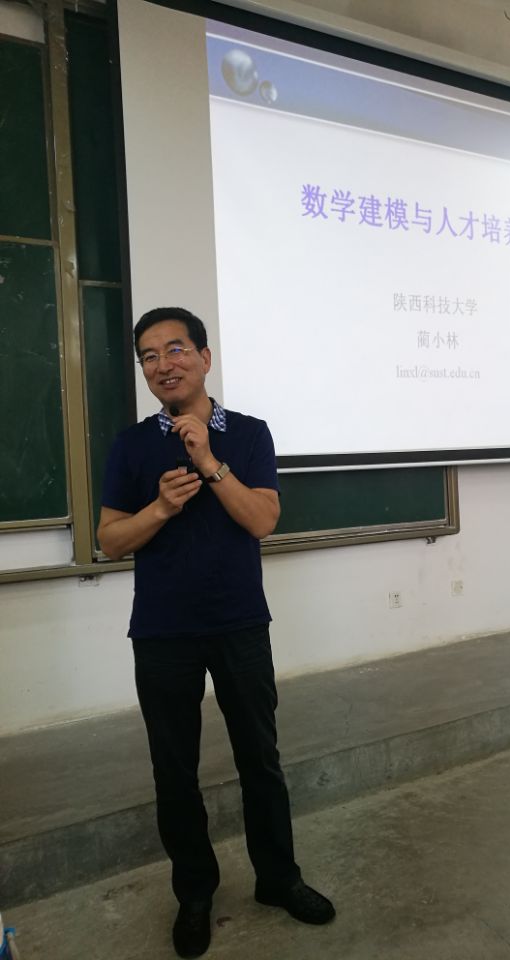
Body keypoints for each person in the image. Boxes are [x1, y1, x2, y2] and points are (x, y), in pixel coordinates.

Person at [98, 307, 335, 959]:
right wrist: (160, 507)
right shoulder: (130, 446)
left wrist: (208, 461)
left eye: (175, 349)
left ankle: (278, 879)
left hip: (239, 624)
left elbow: (262, 520)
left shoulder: (250, 434)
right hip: (162, 632)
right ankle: (195, 894)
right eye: (149, 356)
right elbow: (110, 539)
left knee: (261, 759)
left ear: (205, 358)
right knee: (174, 771)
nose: (163, 364)